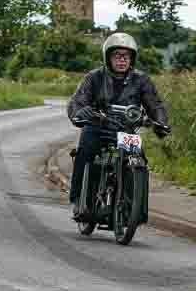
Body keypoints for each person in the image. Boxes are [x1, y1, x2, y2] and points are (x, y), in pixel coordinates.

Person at [67, 32, 171, 218]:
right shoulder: (94, 77)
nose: (122, 60)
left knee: (138, 159)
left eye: (127, 56)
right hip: (97, 127)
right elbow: (78, 100)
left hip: (125, 130)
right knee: (86, 151)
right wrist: (80, 113)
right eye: (117, 55)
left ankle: (135, 210)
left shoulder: (141, 80)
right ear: (108, 57)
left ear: (132, 58)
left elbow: (155, 104)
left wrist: (160, 123)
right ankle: (79, 201)